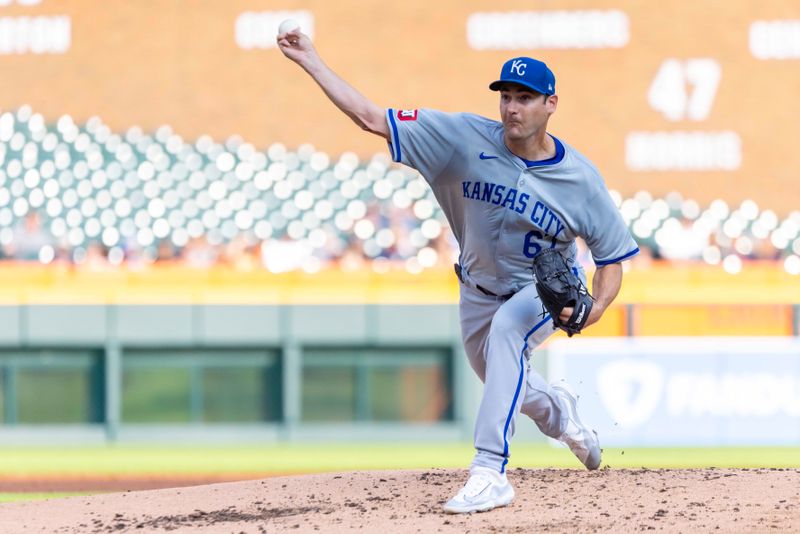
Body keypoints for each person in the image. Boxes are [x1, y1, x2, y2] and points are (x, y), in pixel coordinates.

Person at [277, 29, 638, 514]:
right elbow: (370, 117)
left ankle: (489, 472)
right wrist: (312, 61)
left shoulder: (580, 180)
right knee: (501, 377)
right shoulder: (461, 138)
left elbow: (612, 260)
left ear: (551, 103)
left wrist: (593, 310)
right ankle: (559, 414)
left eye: (525, 98)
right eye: (506, 96)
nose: (512, 107)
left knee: (511, 331)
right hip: (476, 289)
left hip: (539, 293)